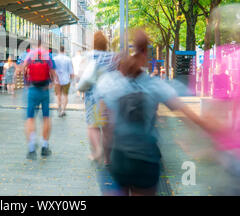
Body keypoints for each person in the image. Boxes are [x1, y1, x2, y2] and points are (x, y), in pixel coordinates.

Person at [95, 30, 224, 196]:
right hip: (146, 160)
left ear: (118, 58)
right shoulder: (154, 85)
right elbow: (188, 115)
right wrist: (215, 135)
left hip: (119, 158)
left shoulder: (109, 84)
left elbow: (106, 126)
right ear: (145, 55)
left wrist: (106, 157)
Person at [82, 31, 117, 165]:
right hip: (109, 96)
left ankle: (97, 150)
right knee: (108, 128)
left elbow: (83, 76)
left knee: (93, 126)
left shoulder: (89, 56)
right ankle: (108, 158)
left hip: (92, 96)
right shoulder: (113, 58)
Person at [23, 39, 57, 160]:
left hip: (32, 89)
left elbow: (22, 69)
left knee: (30, 118)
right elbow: (53, 72)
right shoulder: (48, 55)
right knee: (46, 118)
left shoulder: (30, 55)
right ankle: (44, 146)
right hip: (44, 90)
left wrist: (26, 82)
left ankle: (31, 148)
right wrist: (52, 83)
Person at [53, 45, 74, 117]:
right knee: (65, 96)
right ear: (64, 50)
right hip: (66, 80)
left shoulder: (54, 59)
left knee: (58, 95)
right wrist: (72, 80)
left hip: (57, 80)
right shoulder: (68, 59)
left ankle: (59, 107)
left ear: (59, 51)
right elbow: (71, 72)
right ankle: (63, 110)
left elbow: (52, 70)